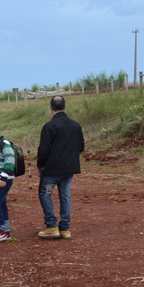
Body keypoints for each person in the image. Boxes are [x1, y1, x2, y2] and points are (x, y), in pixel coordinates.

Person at [37, 95, 85, 239]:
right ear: (65, 106)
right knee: (65, 195)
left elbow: (43, 150)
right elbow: (81, 147)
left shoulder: (49, 126)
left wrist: (41, 165)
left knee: (45, 194)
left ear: (51, 108)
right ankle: (65, 228)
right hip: (69, 169)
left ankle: (51, 225)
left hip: (52, 170)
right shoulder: (75, 125)